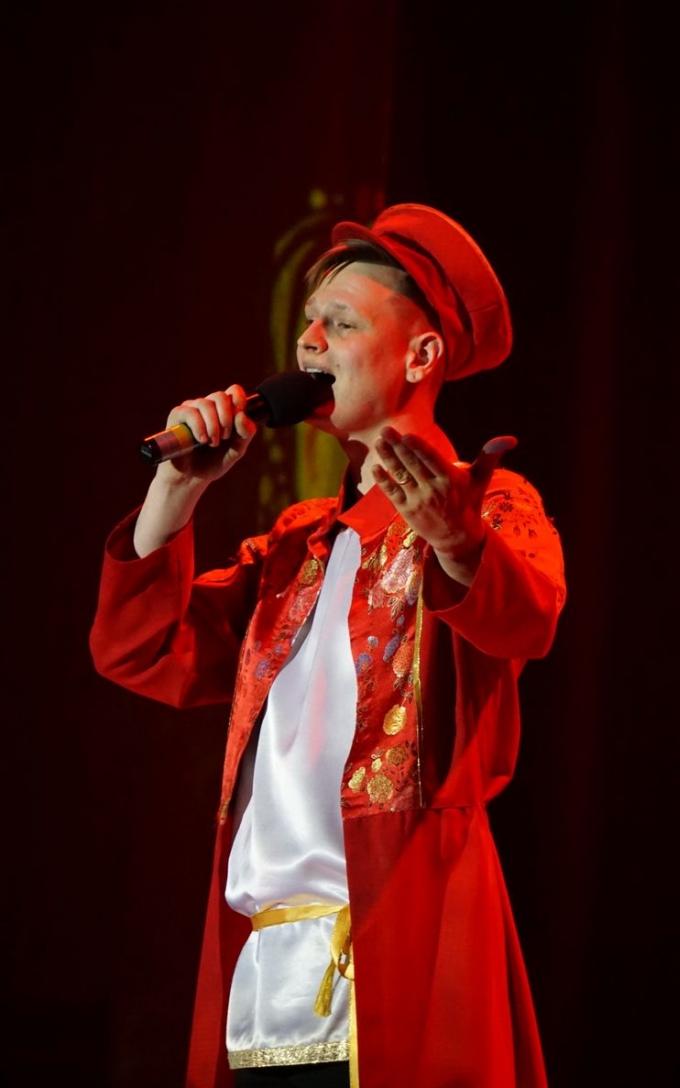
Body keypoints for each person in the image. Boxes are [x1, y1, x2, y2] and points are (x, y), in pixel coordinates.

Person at [89, 202, 567, 1088]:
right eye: (308, 322)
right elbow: (143, 650)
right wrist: (175, 493)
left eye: (340, 324)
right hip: (267, 979)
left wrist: (456, 539)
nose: (308, 342)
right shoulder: (295, 546)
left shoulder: (491, 509)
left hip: (400, 951)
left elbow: (524, 619)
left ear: (420, 356)